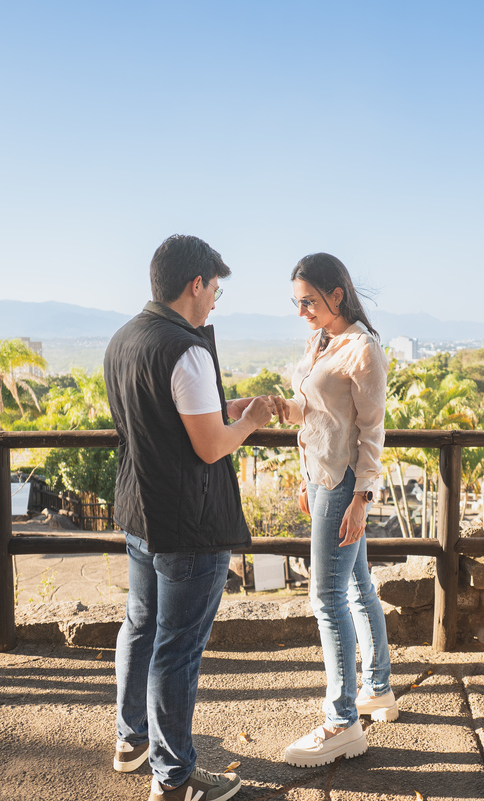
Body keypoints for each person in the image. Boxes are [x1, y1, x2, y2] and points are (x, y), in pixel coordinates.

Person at [104, 234, 274, 801]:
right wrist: (250, 420)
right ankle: (173, 779)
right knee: (177, 649)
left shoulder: (123, 340)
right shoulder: (188, 350)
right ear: (194, 284)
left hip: (138, 512)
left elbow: (166, 415)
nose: (216, 300)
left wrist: (228, 409)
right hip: (188, 525)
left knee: (140, 626)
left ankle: (131, 742)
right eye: (215, 288)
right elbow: (209, 447)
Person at [272, 253, 396, 768]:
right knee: (357, 585)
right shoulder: (321, 341)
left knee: (327, 599)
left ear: (336, 294)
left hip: (345, 484)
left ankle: (342, 722)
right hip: (323, 479)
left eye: (309, 301)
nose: (302, 310)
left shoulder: (362, 348)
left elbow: (371, 431)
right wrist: (283, 411)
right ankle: (377, 688)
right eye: (297, 302)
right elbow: (320, 415)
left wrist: (360, 501)